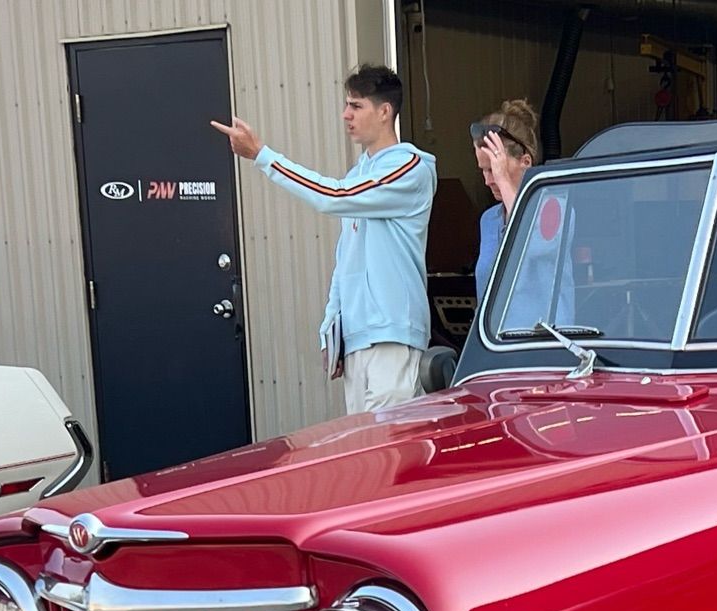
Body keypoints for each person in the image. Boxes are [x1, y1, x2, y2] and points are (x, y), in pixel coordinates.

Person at [212, 65, 436, 415]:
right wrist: (331, 327)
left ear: (384, 111)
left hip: (393, 335)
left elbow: (333, 196)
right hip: (358, 339)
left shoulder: (409, 167)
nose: (346, 115)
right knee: (363, 455)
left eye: (357, 106)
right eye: (346, 104)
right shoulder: (359, 173)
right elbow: (346, 259)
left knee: (391, 452)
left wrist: (262, 155)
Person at [471, 99, 574, 333]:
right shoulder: (489, 221)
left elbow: (535, 245)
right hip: (497, 348)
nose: (488, 181)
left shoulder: (555, 208)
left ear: (525, 162)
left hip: (546, 347)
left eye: (495, 169)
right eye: (484, 171)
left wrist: (505, 181)